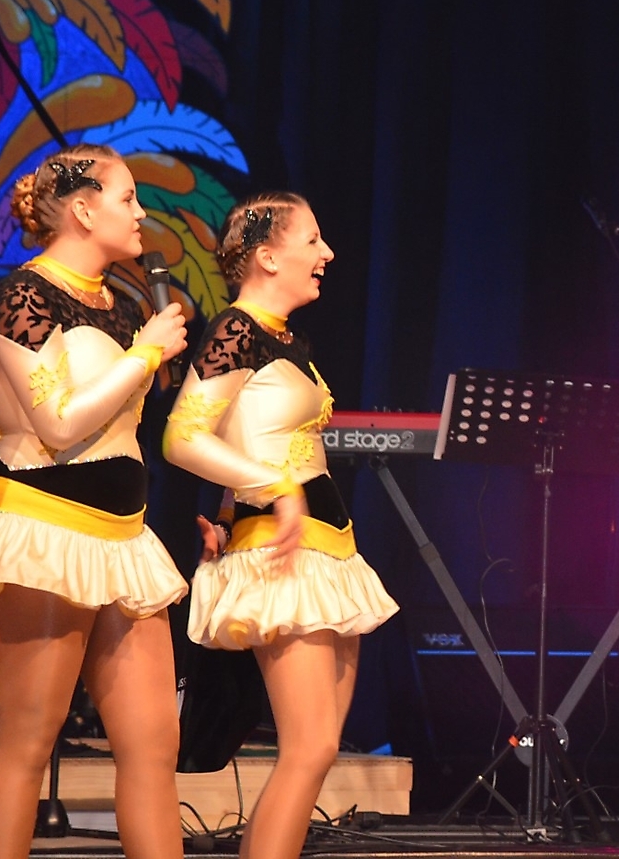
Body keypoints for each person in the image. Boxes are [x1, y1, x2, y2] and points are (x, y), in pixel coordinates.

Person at [0, 145, 189, 858]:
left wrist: (147, 350)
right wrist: (145, 354)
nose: (141, 213)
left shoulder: (125, 304)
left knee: (153, 745)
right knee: (28, 739)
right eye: (128, 197)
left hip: (123, 537)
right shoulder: (24, 296)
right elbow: (57, 424)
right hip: (43, 532)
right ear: (83, 209)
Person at [162, 192, 397, 859]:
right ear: (267, 256)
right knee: (310, 745)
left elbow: (247, 431)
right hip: (280, 549)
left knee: (317, 751)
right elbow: (182, 437)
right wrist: (274, 490)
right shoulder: (235, 329)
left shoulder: (288, 338)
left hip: (327, 547)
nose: (328, 253)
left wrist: (242, 505)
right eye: (313, 240)